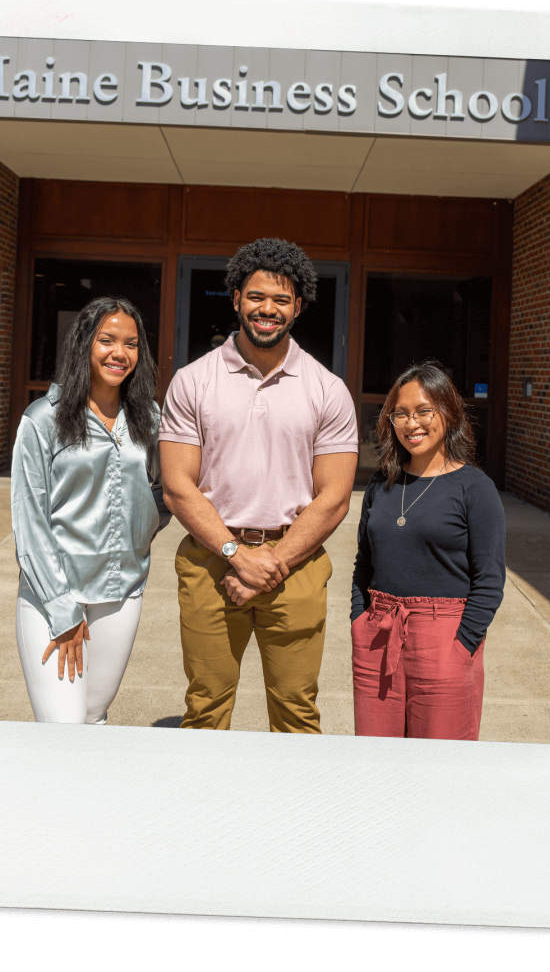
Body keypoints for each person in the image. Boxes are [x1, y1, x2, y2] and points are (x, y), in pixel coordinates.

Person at [159, 237, 359, 733]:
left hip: (296, 563)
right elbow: (178, 486)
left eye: (281, 299)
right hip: (211, 560)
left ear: (298, 307)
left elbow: (333, 499)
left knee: (296, 714)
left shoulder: (326, 389)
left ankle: (292, 812)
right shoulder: (192, 381)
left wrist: (272, 563)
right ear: (235, 299)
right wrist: (236, 554)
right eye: (256, 296)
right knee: (205, 709)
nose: (267, 309)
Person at [11, 296, 170, 724]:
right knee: (64, 727)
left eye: (131, 344)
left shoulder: (149, 418)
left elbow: (163, 490)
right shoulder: (43, 419)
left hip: (121, 592)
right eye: (107, 340)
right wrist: (63, 612)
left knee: (95, 717)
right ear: (84, 344)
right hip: (55, 595)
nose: (120, 353)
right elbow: (29, 518)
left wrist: (141, 528)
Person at [350, 361, 505, 740]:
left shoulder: (475, 488)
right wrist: (359, 618)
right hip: (378, 632)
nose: (411, 423)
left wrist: (463, 642)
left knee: (440, 761)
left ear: (448, 414)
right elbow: (364, 561)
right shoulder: (381, 483)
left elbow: (489, 577)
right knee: (377, 757)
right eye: (400, 414)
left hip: (445, 636)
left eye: (423, 411)